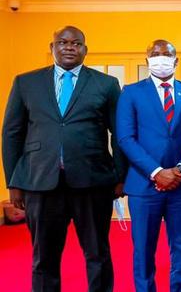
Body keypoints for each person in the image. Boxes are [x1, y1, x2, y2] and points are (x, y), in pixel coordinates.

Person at [2, 26, 126, 292]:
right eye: (63, 42)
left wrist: (119, 176)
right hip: (40, 182)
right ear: (52, 48)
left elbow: (119, 133)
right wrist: (13, 181)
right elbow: (12, 133)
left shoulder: (105, 84)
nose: (70, 47)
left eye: (76, 43)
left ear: (85, 50)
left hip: (93, 182)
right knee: (43, 258)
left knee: (98, 255)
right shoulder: (26, 82)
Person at [115, 39, 181, 292]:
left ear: (175, 60)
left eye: (166, 54)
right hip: (144, 185)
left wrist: (180, 169)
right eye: (155, 54)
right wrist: (156, 172)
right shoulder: (131, 92)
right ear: (147, 60)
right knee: (144, 248)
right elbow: (125, 137)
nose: (161, 58)